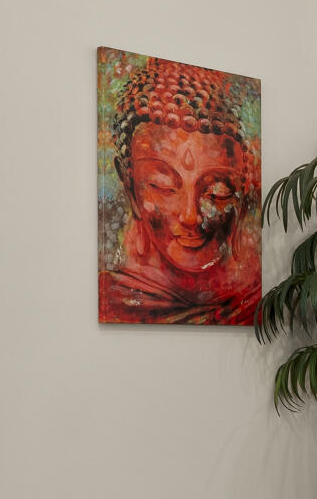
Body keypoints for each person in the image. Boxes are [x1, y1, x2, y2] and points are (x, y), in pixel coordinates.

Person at [99, 58, 260, 325]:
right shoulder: (113, 300)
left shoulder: (255, 305)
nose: (190, 217)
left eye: (217, 192)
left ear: (242, 195)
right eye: (163, 187)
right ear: (130, 187)